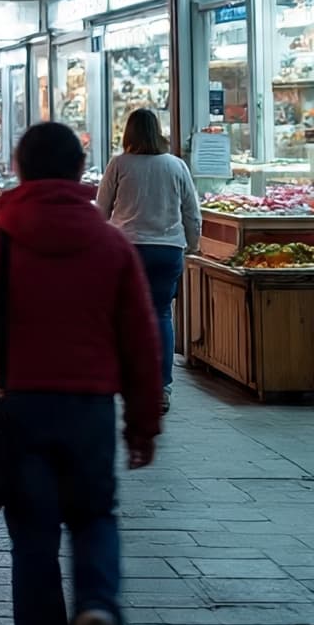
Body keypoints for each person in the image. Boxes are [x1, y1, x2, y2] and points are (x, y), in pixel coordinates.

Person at [0, 122, 161, 625]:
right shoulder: (110, 242)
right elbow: (142, 341)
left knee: (34, 545)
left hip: (21, 410)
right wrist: (142, 424)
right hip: (91, 410)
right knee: (94, 517)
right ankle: (96, 607)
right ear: (80, 170)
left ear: (19, 168)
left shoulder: (2, 238)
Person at [96, 109, 202, 413]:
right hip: (167, 250)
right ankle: (160, 388)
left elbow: (101, 209)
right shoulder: (176, 165)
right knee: (161, 316)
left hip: (126, 248)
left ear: (129, 133)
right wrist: (192, 245)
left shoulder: (119, 164)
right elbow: (191, 212)